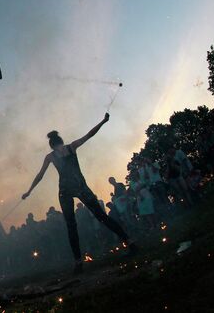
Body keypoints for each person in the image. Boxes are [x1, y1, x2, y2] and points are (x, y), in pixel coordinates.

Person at [22, 113, 136, 273]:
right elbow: (89, 135)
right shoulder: (68, 148)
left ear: (52, 144)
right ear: (59, 143)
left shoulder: (54, 154)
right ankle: (127, 243)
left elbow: (40, 175)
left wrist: (29, 191)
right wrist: (103, 121)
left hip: (73, 188)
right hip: (72, 189)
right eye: (59, 148)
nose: (61, 150)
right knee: (90, 220)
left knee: (78, 223)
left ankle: (80, 262)